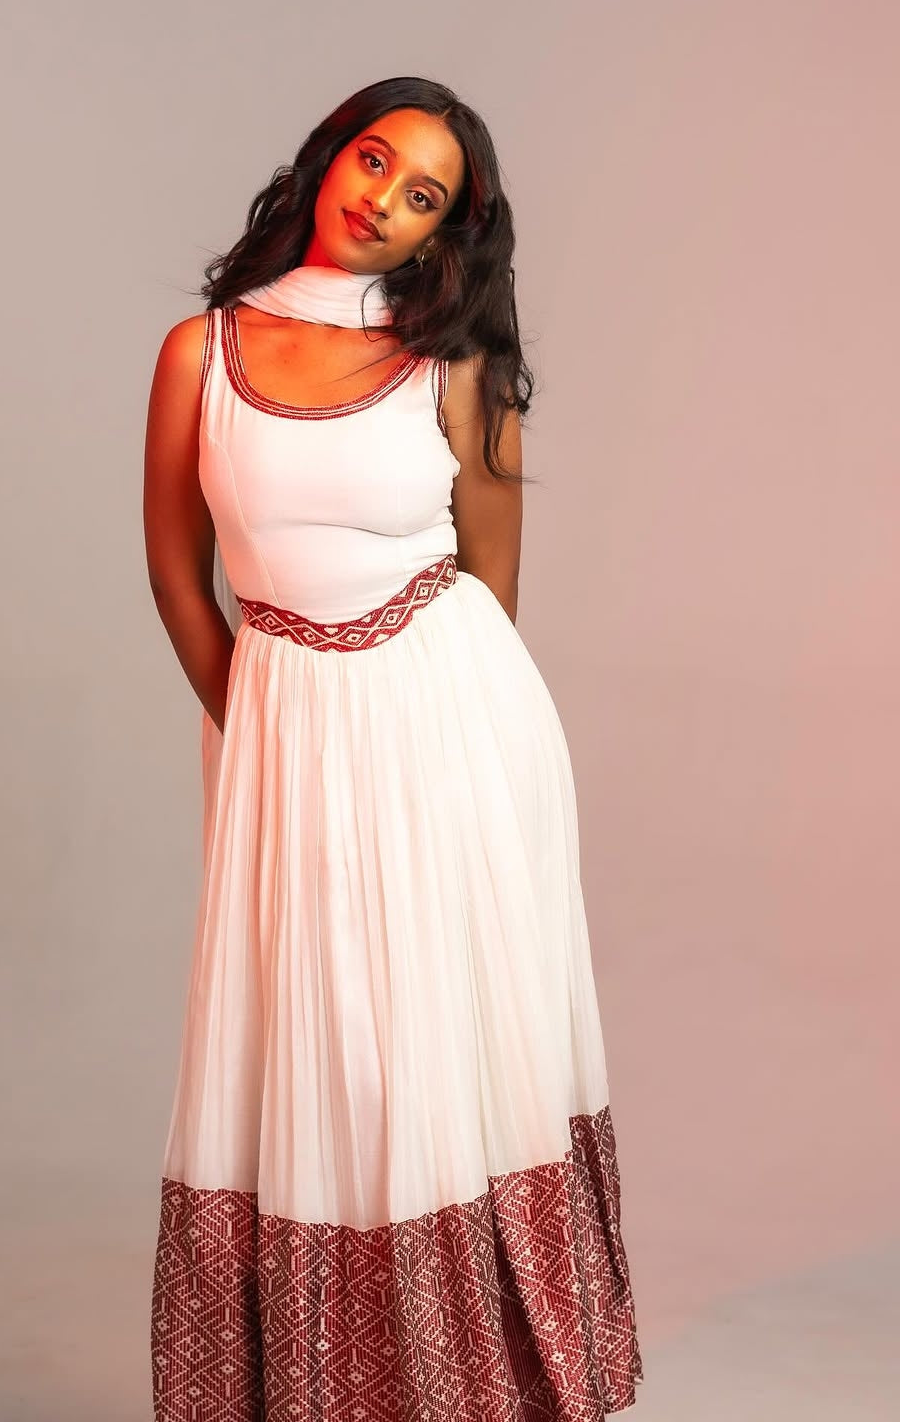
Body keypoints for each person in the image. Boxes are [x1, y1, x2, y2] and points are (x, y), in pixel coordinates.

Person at [142, 74, 644, 1421]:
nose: (384, 200)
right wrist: (260, 726)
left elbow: (493, 584)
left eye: (425, 196)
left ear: (444, 237)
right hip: (283, 734)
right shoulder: (201, 352)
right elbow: (180, 577)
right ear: (326, 157)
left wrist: (445, 748)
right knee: (316, 1058)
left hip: (452, 733)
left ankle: (478, 1385)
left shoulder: (455, 362)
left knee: (436, 1053)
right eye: (375, 160)